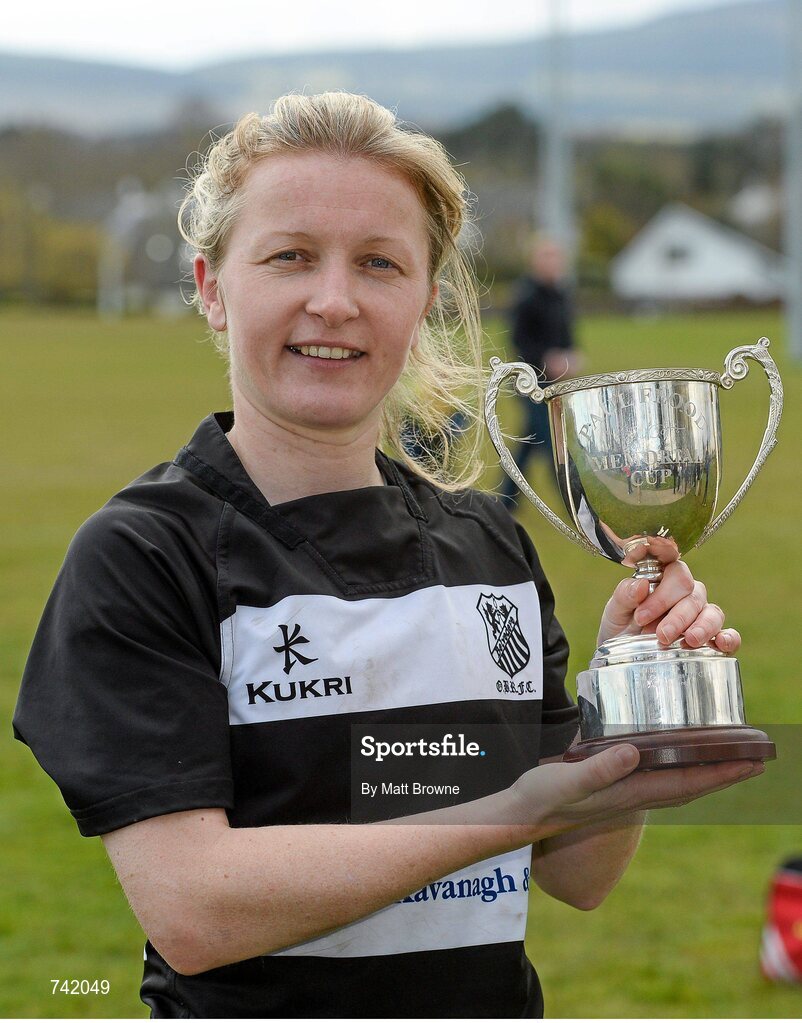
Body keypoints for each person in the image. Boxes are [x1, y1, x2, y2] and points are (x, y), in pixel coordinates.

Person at [13, 93, 760, 1019]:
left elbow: (579, 870)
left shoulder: (487, 546)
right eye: (289, 256)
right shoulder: (142, 554)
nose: (336, 299)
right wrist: (511, 808)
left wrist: (627, 716)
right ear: (212, 285)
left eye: (379, 262)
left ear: (425, 298)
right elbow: (196, 908)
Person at [499, 236, 580, 504]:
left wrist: (571, 356)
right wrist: (546, 360)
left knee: (531, 440)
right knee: (550, 440)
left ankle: (506, 499)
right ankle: (572, 501)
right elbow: (518, 341)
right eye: (547, 257)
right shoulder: (527, 296)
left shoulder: (561, 294)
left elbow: (567, 334)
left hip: (556, 381)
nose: (553, 263)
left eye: (557, 257)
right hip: (530, 382)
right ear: (535, 262)